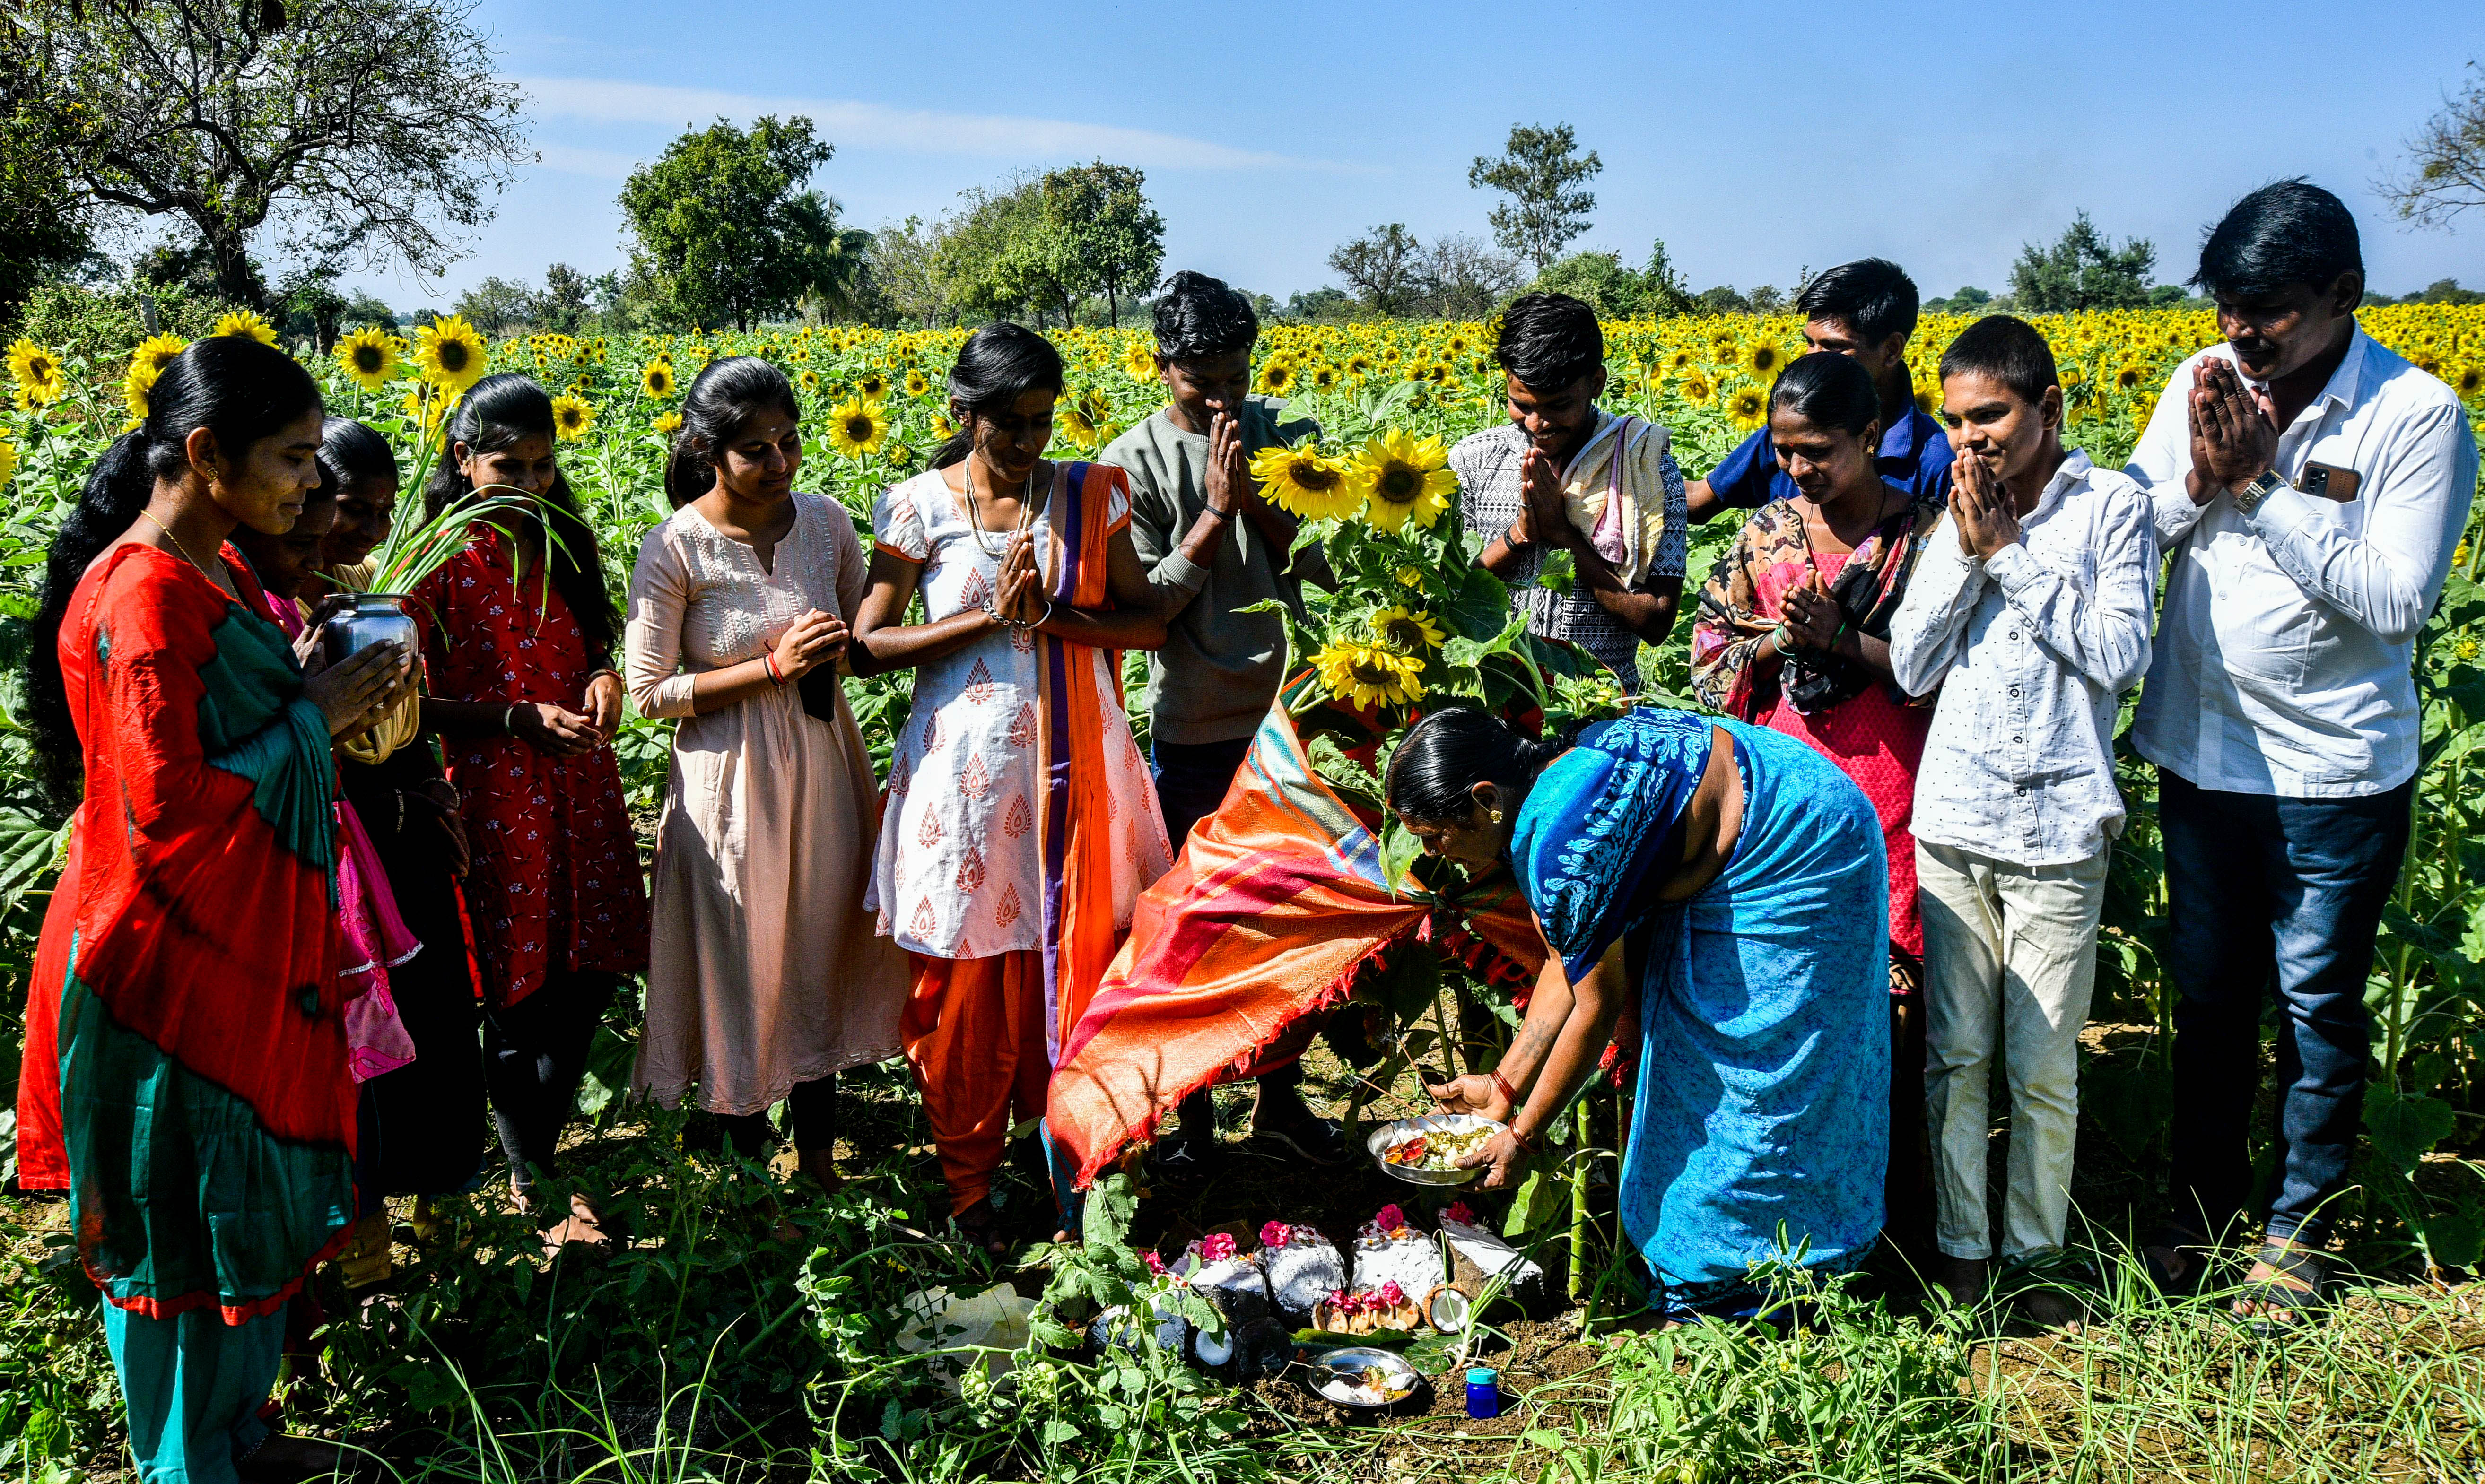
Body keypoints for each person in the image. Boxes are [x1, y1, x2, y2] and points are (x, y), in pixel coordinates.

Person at [15, 336, 412, 1483]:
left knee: (245, 1197)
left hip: (238, 950)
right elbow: (169, 811)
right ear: (204, 454)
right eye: (293, 459)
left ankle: (239, 1436)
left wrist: (310, 674)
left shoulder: (220, 571)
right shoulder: (140, 597)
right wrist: (313, 716)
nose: (312, 484)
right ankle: (185, 1463)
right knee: (181, 1217)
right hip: (162, 970)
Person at [2124, 180, 2478, 1328]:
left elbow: (2390, 600)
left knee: (2316, 1005)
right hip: (2199, 753)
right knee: (2210, 998)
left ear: (2340, 294)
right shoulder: (2198, 383)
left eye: (2266, 311)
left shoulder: (2413, 416)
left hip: (2333, 774)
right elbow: (2127, 532)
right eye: (2226, 308)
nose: (2238, 334)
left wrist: (2259, 481)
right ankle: (2199, 1203)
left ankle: (2296, 1225)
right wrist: (2197, 474)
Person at [1400, 707, 1888, 1323]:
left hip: (1803, 838)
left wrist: (1521, 1135)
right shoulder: (1552, 792)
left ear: (1485, 798)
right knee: (1693, 1049)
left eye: (1433, 834)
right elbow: (1565, 964)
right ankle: (1717, 1276)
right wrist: (1501, 1088)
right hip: (1777, 806)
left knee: (1762, 1068)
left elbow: (1595, 1007)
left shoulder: (1561, 835)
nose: (1431, 852)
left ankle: (1778, 1287)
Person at [853, 324, 1174, 1253]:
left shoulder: (1089, 495)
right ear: (962, 417)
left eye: (1042, 421)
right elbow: (869, 645)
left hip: (1082, 788)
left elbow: (1146, 626)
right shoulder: (917, 507)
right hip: (963, 787)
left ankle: (1080, 1178)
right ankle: (968, 1191)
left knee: (1079, 973)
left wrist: (1056, 617)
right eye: (1011, 426)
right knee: (963, 991)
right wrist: (985, 618)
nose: (1033, 443)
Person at [1886, 316, 2157, 1325]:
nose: (1970, 440)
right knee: (1956, 1057)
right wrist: (1962, 552)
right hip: (1953, 820)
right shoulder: (1948, 514)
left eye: (1989, 416)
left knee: (2040, 1066)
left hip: (2054, 830)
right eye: (1953, 422)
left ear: (2046, 407)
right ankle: (1962, 1249)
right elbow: (1911, 666)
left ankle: (2036, 1256)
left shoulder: (2110, 510)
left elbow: (2116, 656)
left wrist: (2006, 556)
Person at [624, 357, 908, 1190]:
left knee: (819, 957)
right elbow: (649, 693)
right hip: (728, 791)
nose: (780, 463)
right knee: (745, 969)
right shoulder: (676, 545)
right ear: (708, 450)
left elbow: (863, 645)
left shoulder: (826, 524)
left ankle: (818, 1167)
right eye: (756, 449)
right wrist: (772, 667)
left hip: (823, 770)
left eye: (788, 440)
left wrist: (848, 647)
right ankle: (744, 1186)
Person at [1689, 350, 1944, 1256]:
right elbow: (1711, 644)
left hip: (1894, 788)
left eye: (1820, 450)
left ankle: (1892, 1221)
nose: (1800, 469)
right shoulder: (1766, 532)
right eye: (1786, 450)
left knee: (1891, 1004)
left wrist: (1841, 636)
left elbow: (1947, 671)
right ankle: (1792, 1214)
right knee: (1793, 1000)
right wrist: (1770, 644)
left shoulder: (1923, 536)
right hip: (1789, 801)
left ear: (1872, 437)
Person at [1101, 270, 1347, 1173]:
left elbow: (1330, 571)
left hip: (1298, 718)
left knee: (1299, 919)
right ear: (1162, 365)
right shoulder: (1131, 463)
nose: (1221, 397)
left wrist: (1259, 505)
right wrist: (1214, 511)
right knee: (1197, 926)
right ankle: (1193, 1118)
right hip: (1198, 723)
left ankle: (1280, 1099)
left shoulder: (1293, 439)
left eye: (1235, 375)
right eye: (1200, 380)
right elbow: (1151, 608)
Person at [410, 374, 651, 1246]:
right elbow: (400, 700)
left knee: (587, 972)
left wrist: (602, 677)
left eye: (544, 465)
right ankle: (530, 1176)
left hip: (579, 786)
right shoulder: (432, 558)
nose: (530, 482)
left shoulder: (564, 538)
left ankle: (540, 1155)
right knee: (520, 988)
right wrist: (512, 718)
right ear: (462, 460)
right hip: (494, 792)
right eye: (508, 465)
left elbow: (595, 639)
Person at [228, 458, 425, 1289]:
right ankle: (314, 1284)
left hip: (325, 849)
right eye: (303, 528)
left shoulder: (307, 599)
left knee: (345, 1072)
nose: (320, 550)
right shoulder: (227, 606)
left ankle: (353, 1263)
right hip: (270, 867)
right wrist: (317, 703)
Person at [312, 417, 489, 1255]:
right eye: (353, 507)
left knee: (436, 1022)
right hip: (340, 851)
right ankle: (365, 1231)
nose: (373, 530)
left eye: (385, 510)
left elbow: (406, 723)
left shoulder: (367, 591)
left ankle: (440, 1202)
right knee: (362, 1043)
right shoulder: (275, 599)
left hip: (403, 834)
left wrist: (427, 789)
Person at [1454, 291, 1688, 694]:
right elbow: (1451, 594)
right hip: (1492, 698)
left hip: (1598, 705)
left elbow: (1655, 622)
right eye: (1520, 404)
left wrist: (1564, 538)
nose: (1536, 423)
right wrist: (1519, 537)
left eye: (1558, 405)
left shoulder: (1645, 466)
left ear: (1596, 382)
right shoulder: (1473, 460)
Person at [1685, 259, 1953, 525]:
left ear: (1892, 349)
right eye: (1809, 343)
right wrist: (1645, 448)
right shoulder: (1789, 436)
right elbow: (1700, 501)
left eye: (1834, 347)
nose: (1812, 360)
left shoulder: (1935, 463)